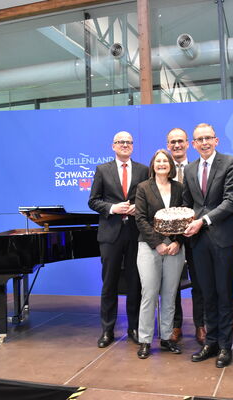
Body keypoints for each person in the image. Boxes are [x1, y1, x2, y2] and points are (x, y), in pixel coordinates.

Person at [183, 123, 233, 368]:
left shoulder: (231, 163)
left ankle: (226, 346)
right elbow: (187, 203)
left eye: (208, 138)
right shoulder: (189, 169)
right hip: (198, 242)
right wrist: (187, 223)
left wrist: (202, 220)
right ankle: (211, 341)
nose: (204, 142)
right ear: (193, 144)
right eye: (199, 139)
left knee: (223, 294)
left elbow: (231, 201)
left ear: (216, 140)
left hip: (224, 239)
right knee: (206, 294)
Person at [88, 131, 149, 348]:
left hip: (136, 233)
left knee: (135, 282)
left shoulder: (144, 170)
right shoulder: (102, 170)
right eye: (121, 142)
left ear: (133, 146)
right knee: (109, 283)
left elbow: (149, 199)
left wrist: (138, 208)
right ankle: (107, 329)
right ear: (113, 145)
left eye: (129, 142)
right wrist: (112, 208)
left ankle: (134, 328)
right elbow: (93, 201)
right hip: (110, 234)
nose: (125, 145)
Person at [135, 149, 185, 359]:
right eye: (158, 161)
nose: (162, 164)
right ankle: (145, 340)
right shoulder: (143, 187)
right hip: (149, 247)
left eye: (166, 160)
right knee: (149, 294)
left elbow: (186, 217)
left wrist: (178, 241)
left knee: (170, 294)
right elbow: (140, 218)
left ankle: (166, 338)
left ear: (171, 166)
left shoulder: (179, 187)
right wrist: (157, 243)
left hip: (174, 248)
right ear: (153, 165)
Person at [166, 127, 206, 345]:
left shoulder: (197, 168)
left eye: (180, 141)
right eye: (172, 142)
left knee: (200, 283)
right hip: (171, 240)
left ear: (188, 144)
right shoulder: (161, 170)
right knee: (172, 285)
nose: (177, 145)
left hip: (197, 235)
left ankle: (201, 325)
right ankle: (175, 325)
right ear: (167, 145)